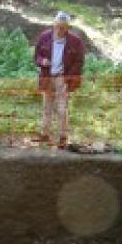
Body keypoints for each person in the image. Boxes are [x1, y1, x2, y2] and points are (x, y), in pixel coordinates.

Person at [33, 11, 86, 148]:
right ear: (54, 24)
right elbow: (36, 55)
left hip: (63, 77)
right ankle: (45, 134)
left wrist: (68, 77)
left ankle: (63, 136)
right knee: (46, 106)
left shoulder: (76, 41)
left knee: (62, 108)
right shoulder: (44, 37)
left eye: (63, 27)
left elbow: (79, 62)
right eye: (57, 26)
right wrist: (42, 61)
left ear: (68, 28)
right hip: (47, 76)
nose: (59, 29)